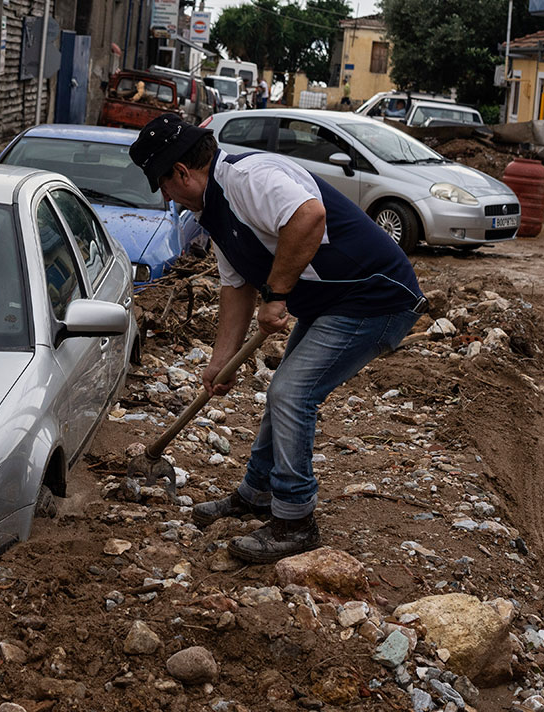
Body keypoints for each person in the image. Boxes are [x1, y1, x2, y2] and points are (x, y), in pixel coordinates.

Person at [130, 112, 422, 563]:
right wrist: (220, 361)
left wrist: (277, 294)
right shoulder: (215, 212)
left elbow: (309, 217)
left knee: (292, 393)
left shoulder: (250, 178)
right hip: (331, 305)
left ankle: (296, 520)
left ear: (182, 172)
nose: (167, 197)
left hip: (376, 298)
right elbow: (235, 288)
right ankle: (258, 492)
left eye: (164, 186)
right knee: (283, 392)